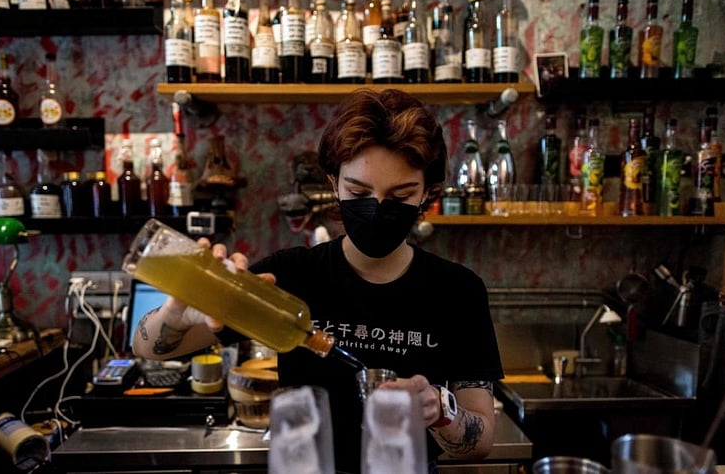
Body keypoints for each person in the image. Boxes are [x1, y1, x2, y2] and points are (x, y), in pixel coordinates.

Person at [132, 88, 504, 473]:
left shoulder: (458, 291)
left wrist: (440, 409)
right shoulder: (289, 275)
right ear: (334, 184)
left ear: (427, 192)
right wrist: (177, 315)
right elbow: (146, 347)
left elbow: (480, 443)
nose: (377, 209)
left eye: (400, 195)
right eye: (358, 191)